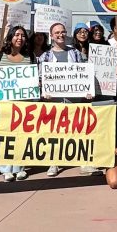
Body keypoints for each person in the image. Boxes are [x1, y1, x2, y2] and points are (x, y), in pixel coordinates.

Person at [38, 22, 88, 177]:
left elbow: (84, 72)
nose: (60, 35)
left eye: (63, 32)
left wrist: (87, 90)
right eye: (57, 33)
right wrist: (44, 91)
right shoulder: (45, 56)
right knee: (54, 131)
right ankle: (53, 163)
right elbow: (40, 79)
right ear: (51, 35)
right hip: (54, 100)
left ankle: (84, 162)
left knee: (78, 129)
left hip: (74, 99)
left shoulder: (76, 53)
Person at [0, 26, 34, 182]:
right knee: (4, 137)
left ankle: (20, 168)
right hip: (4, 105)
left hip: (23, 105)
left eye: (23, 35)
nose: (20, 38)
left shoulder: (29, 56)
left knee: (21, 136)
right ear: (10, 37)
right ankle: (6, 169)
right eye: (16, 35)